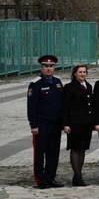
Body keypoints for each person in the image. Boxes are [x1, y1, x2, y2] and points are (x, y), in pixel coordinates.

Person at [28, 55, 64, 188]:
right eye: (46, 66)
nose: (49, 69)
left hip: (55, 125)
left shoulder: (57, 82)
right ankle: (40, 180)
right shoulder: (35, 84)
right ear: (41, 67)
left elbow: (61, 103)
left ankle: (50, 178)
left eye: (51, 66)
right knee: (39, 153)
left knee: (53, 153)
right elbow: (31, 107)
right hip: (41, 125)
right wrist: (34, 125)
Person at [60, 63, 95, 186]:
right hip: (74, 123)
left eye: (84, 72)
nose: (82, 74)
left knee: (83, 149)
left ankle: (78, 175)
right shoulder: (69, 87)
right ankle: (78, 176)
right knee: (75, 148)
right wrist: (65, 124)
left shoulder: (89, 86)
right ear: (75, 74)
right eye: (80, 72)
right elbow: (65, 107)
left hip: (86, 124)